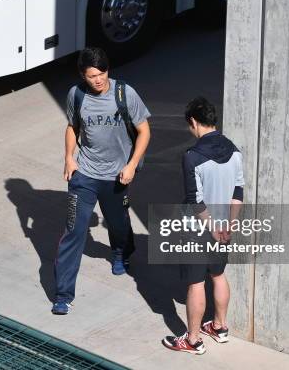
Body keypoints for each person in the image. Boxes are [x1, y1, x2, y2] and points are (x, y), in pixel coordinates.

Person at [52, 47, 151, 315]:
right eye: (92, 76)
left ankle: (120, 252)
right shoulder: (77, 95)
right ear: (83, 75)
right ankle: (62, 294)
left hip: (117, 174)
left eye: (102, 73)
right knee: (74, 231)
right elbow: (73, 126)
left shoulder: (124, 93)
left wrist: (131, 165)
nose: (98, 80)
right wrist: (69, 158)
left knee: (118, 222)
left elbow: (144, 131)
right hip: (84, 173)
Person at [162, 97, 243, 354]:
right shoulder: (235, 150)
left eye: (190, 125)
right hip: (224, 225)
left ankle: (193, 340)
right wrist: (228, 225)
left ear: (194, 122)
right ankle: (219, 327)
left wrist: (211, 227)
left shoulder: (192, 157)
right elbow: (238, 191)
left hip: (199, 228)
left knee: (196, 282)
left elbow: (194, 202)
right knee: (218, 275)